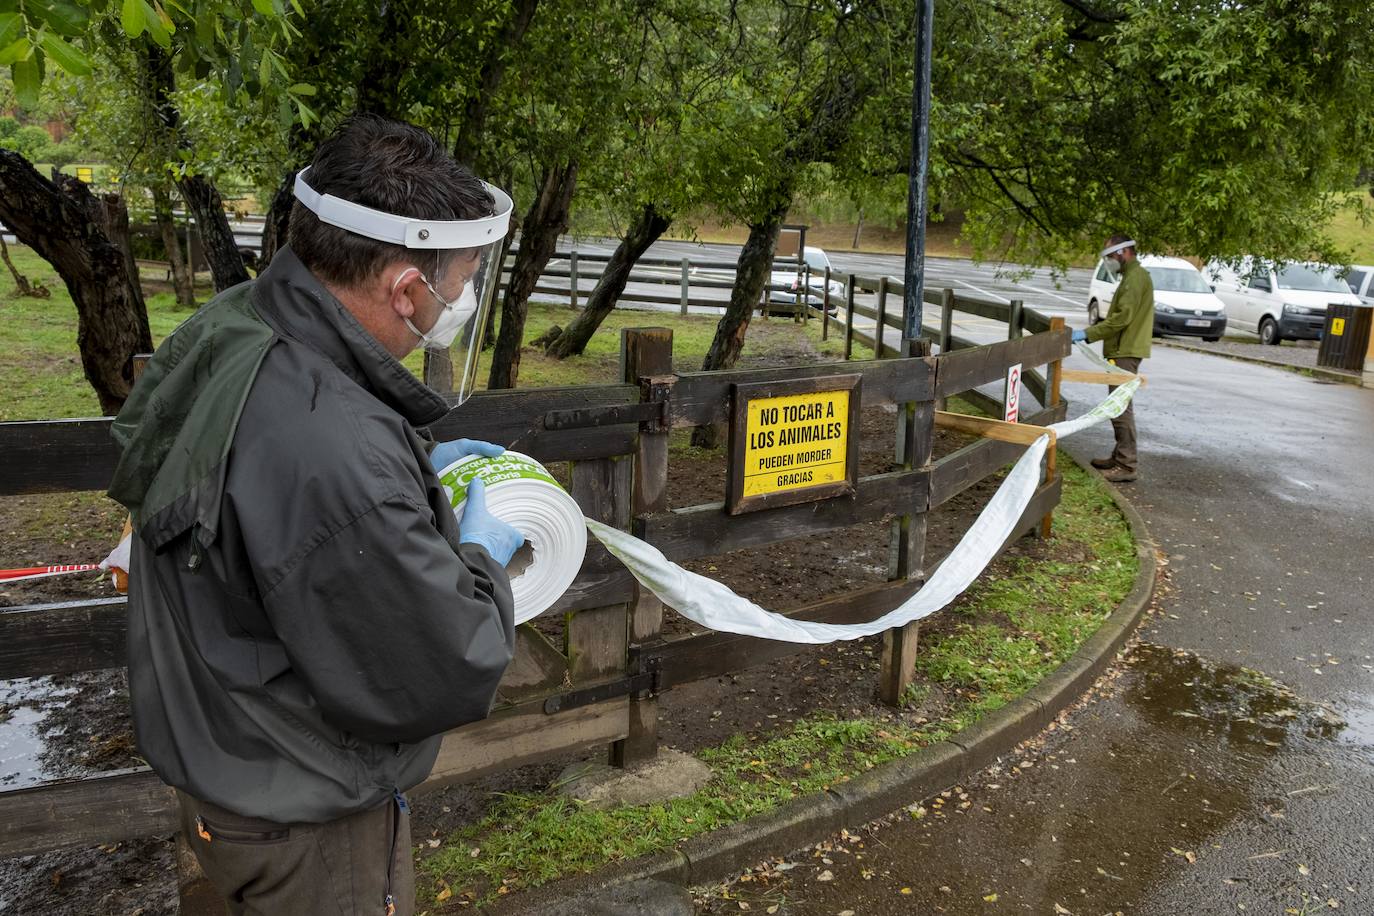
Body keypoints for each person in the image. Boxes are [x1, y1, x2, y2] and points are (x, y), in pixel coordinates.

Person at [107, 114, 525, 916]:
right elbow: (446, 663)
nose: (463, 300)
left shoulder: (240, 320)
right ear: (407, 288)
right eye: (463, 280)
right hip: (303, 813)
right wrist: (479, 552)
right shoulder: (339, 451)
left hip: (227, 755)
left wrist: (407, 482)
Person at [1071, 235, 1152, 483]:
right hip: (1123, 349)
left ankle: (1126, 465)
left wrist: (1088, 333)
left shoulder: (1135, 279)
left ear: (1124, 252)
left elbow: (1121, 319)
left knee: (1120, 408)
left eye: (1110, 256)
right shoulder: (1132, 276)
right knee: (1118, 404)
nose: (1109, 261)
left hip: (1125, 351)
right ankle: (1119, 457)